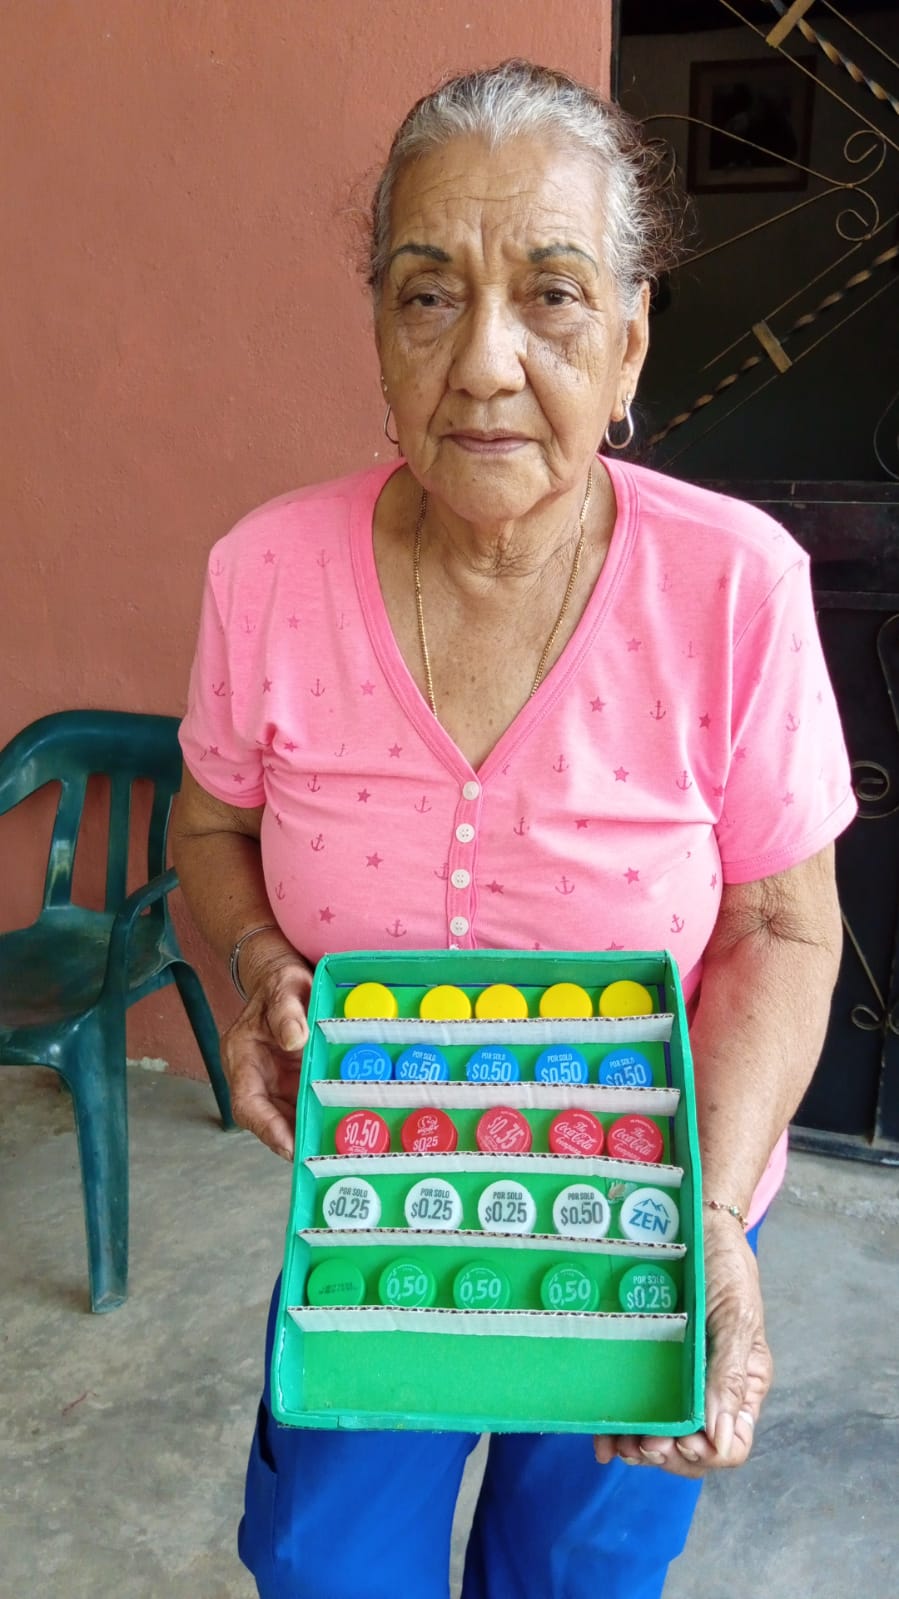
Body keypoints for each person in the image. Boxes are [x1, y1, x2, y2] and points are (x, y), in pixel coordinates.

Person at [171, 60, 853, 1599]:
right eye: (429, 296)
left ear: (631, 338)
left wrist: (709, 1223)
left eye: (552, 295)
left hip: (650, 1217)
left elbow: (784, 927)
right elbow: (208, 825)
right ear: (378, 332)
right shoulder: (264, 575)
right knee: (328, 1567)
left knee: (574, 1577)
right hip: (378, 1214)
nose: (484, 362)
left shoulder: (734, 587)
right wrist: (259, 960)